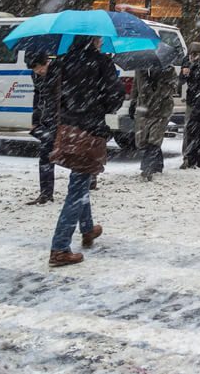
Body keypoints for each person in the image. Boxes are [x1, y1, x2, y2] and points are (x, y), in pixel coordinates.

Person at [47, 35, 125, 267]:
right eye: (99, 38)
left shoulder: (61, 62)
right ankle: (60, 248)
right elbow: (115, 97)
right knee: (78, 187)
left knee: (79, 180)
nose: (101, 41)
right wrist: (100, 103)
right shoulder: (101, 62)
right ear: (92, 39)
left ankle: (88, 228)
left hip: (67, 130)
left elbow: (50, 94)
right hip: (89, 131)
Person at [133, 63, 178, 181]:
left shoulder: (169, 69)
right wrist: (133, 102)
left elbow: (171, 88)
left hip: (161, 110)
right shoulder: (140, 68)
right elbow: (136, 86)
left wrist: (157, 85)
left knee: (154, 139)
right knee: (143, 140)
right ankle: (158, 165)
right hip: (144, 109)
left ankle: (147, 168)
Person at [26, 51, 56, 205]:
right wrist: (35, 119)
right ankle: (46, 193)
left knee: (70, 153)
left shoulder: (58, 72)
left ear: (46, 62)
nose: (37, 72)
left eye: (39, 68)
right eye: (34, 70)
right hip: (47, 119)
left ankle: (88, 177)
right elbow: (37, 96)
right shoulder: (36, 76)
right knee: (45, 153)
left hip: (62, 118)